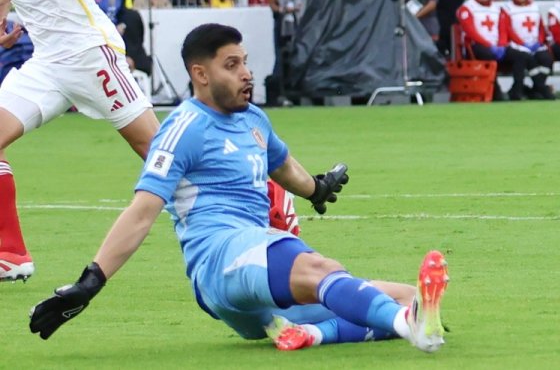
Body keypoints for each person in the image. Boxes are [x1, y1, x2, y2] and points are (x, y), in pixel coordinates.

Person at [28, 24, 449, 354]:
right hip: (221, 257)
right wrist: (91, 281)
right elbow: (142, 211)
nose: (246, 73)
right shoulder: (183, 128)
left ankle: (317, 333)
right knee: (323, 269)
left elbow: (283, 165)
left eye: (245, 62)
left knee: (407, 296)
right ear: (200, 74)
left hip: (250, 278)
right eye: (232, 65)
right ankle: (413, 329)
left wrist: (316, 189)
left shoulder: (253, 119)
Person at [0, 0, 160, 282]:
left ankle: (264, 202)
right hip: (47, 63)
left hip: (90, 52)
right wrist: (9, 15)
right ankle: (11, 254)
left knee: (159, 152)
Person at [502, 0, 554, 100]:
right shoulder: (507, 8)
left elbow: (540, 28)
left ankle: (536, 89)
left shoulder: (534, 7)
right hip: (516, 45)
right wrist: (522, 43)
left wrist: (539, 42)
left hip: (534, 44)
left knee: (546, 59)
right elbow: (508, 29)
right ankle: (540, 90)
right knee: (525, 58)